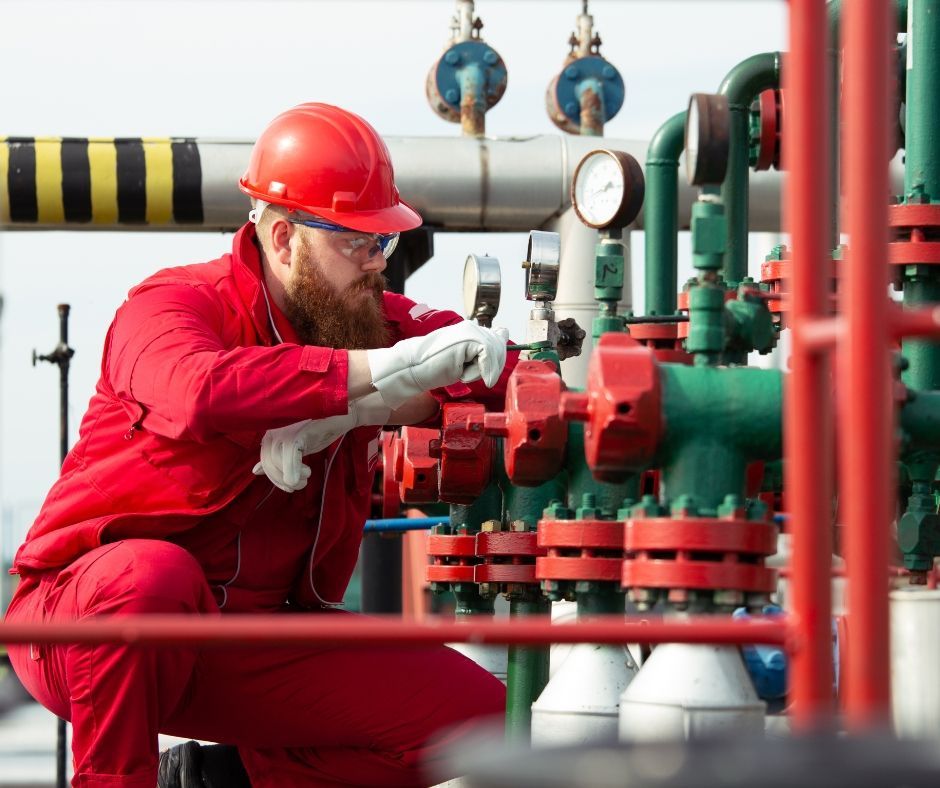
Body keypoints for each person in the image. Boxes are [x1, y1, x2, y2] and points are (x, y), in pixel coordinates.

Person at [5, 103, 518, 788]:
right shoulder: (173, 306)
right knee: (147, 580)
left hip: (259, 635)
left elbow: (503, 371)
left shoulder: (366, 322)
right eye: (355, 243)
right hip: (86, 628)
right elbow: (197, 391)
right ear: (283, 240)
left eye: (384, 244)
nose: (376, 266)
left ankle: (222, 780)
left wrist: (373, 400)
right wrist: (366, 380)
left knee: (487, 724)